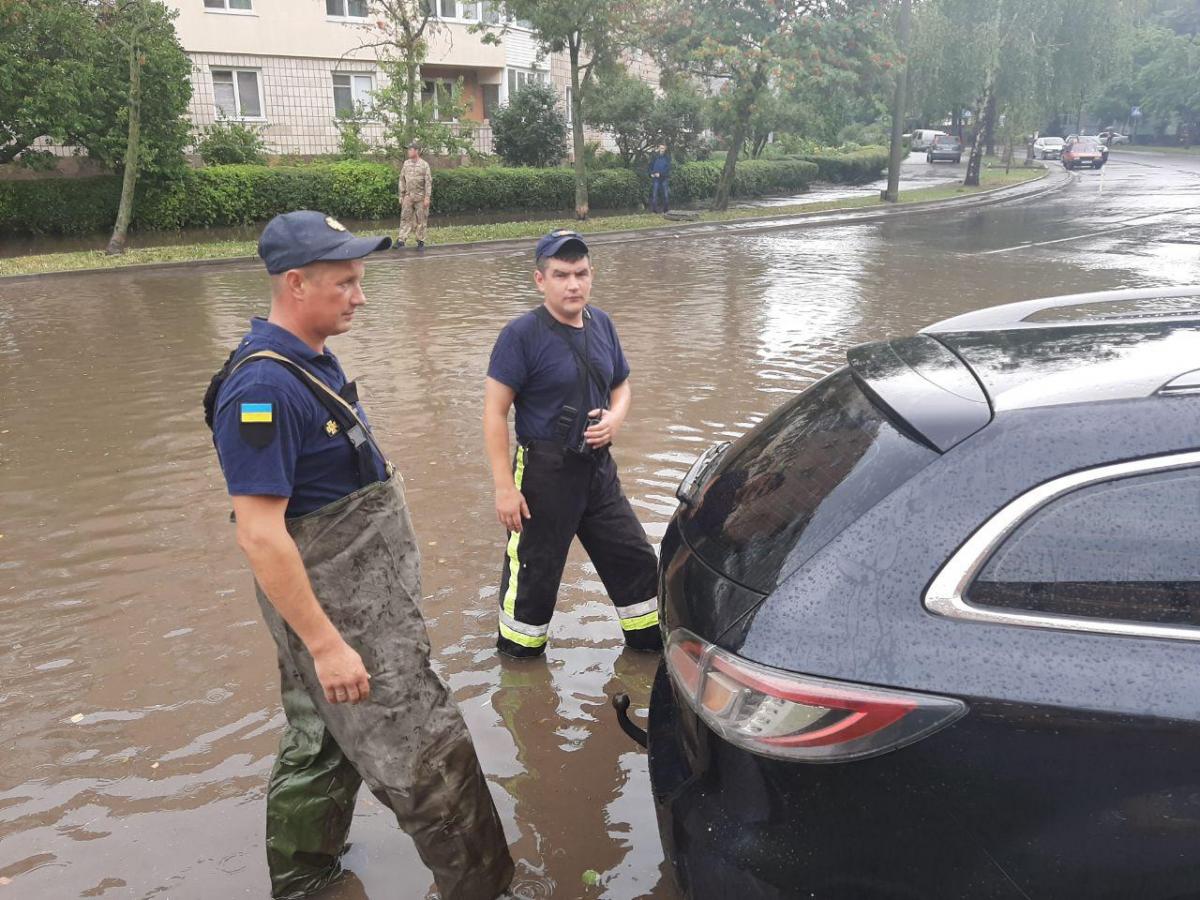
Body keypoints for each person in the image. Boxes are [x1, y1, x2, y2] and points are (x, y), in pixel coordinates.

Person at [208, 210, 514, 900]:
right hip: (338, 617)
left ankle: (305, 879)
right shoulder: (262, 390)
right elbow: (259, 533)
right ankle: (484, 889)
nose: (361, 296)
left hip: (349, 601)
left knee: (321, 736)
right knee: (426, 750)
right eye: (345, 282)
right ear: (295, 284)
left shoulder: (307, 360)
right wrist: (326, 645)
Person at [482, 229, 662, 659]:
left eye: (581, 273)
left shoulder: (602, 324)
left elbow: (621, 385)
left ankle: (650, 649)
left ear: (591, 275)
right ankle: (519, 663)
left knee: (635, 560)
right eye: (561, 275)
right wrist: (504, 488)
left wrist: (615, 418)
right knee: (535, 576)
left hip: (599, 470)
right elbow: (494, 413)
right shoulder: (520, 335)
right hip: (544, 475)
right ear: (540, 280)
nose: (573, 284)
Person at [397, 140, 432, 249]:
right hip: (408, 196)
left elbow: (428, 182)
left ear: (417, 151)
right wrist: (401, 195)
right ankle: (401, 240)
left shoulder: (424, 165)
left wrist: (427, 197)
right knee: (405, 218)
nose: (408, 151)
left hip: (421, 197)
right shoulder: (406, 164)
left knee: (421, 220)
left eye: (410, 149)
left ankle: (420, 241)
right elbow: (402, 180)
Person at [648, 145, 671, 213]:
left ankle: (666, 211)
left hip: (664, 179)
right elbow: (650, 166)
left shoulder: (667, 158)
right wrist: (651, 173)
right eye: (660, 148)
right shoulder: (654, 157)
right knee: (654, 195)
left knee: (665, 195)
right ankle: (655, 211)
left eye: (663, 148)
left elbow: (668, 169)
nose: (661, 149)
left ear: (665, 149)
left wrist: (660, 174)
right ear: (658, 149)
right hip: (656, 179)